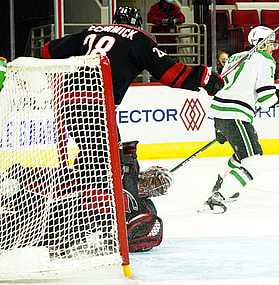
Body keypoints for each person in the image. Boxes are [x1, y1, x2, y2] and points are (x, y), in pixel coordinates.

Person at [42, 6, 224, 250]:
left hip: (67, 104)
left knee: (94, 160)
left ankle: (77, 211)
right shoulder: (139, 38)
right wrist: (204, 77)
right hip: (97, 106)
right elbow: (169, 73)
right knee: (103, 166)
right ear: (138, 23)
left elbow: (47, 51)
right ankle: (96, 226)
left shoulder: (90, 31)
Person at [201, 26, 279, 214]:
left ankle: (222, 184)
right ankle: (217, 198)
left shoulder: (236, 57)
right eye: (271, 43)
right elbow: (266, 98)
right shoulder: (265, 59)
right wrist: (277, 97)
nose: (273, 48)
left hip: (219, 112)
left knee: (240, 154)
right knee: (253, 163)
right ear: (262, 44)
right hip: (235, 114)